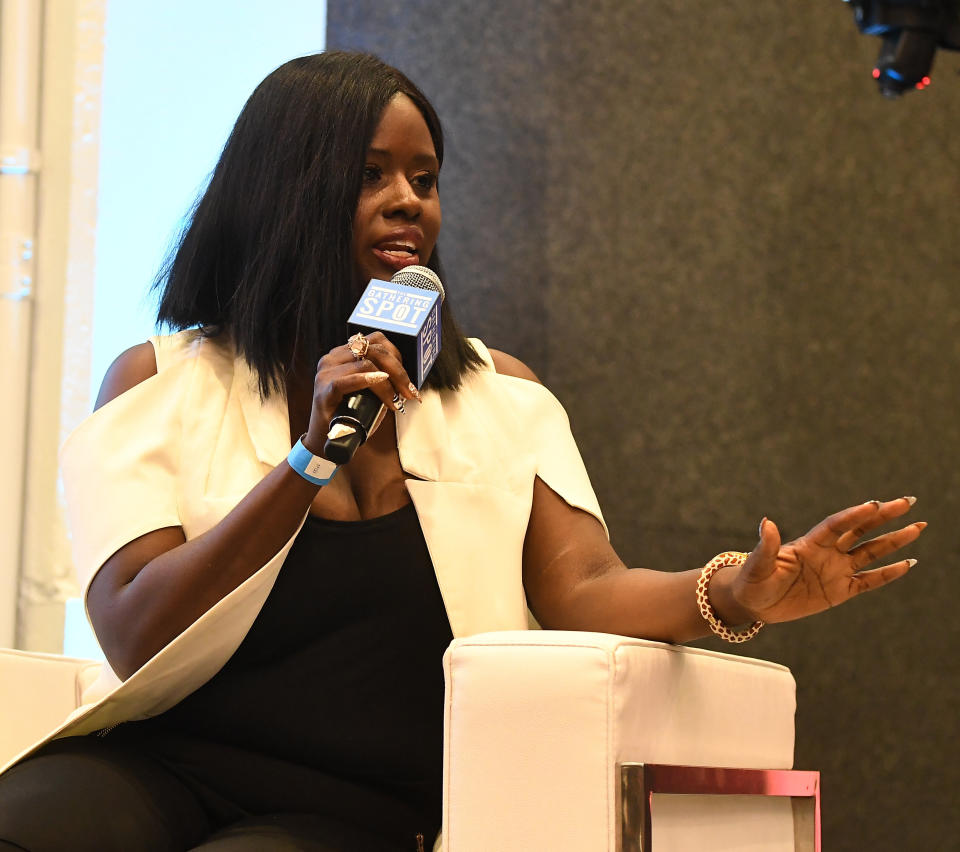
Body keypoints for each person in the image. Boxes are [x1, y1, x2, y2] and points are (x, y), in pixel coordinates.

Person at [0, 51, 924, 852]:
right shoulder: (160, 383)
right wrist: (308, 459)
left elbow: (583, 590)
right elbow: (132, 630)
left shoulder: (499, 397)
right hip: (159, 765)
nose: (409, 202)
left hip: (356, 809)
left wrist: (733, 591)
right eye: (370, 175)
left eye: (425, 178)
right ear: (284, 191)